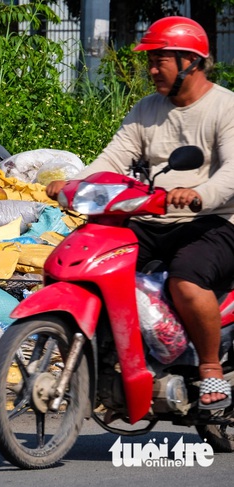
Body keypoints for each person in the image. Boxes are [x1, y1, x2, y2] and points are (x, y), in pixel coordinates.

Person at [46, 16, 234, 410]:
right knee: (88, 263)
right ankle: (110, 359)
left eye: (159, 60)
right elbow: (113, 158)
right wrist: (72, 184)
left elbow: (232, 174)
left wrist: (198, 195)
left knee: (186, 281)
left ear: (190, 61)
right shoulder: (146, 109)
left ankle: (212, 370)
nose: (151, 70)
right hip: (149, 218)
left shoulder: (225, 107)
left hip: (213, 222)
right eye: (150, 60)